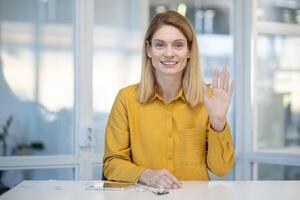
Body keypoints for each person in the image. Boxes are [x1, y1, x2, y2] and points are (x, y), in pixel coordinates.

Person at [103, 10, 235, 189]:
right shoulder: (126, 99)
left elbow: (221, 170)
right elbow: (112, 163)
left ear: (189, 51)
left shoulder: (208, 100)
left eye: (178, 45)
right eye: (160, 45)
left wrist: (218, 122)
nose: (169, 53)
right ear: (148, 49)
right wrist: (144, 175)